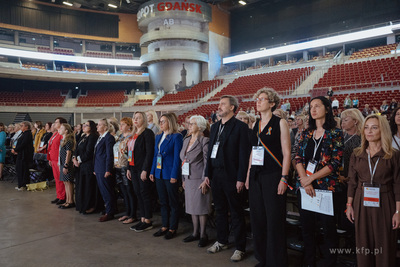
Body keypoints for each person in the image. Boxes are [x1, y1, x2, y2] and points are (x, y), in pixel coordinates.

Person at [295, 96, 344, 267]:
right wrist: (305, 180)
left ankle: (330, 261)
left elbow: (335, 162)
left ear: (327, 109)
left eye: (317, 106)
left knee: (328, 229)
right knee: (307, 228)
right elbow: (298, 158)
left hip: (325, 187)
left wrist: (312, 178)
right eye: (311, 107)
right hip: (305, 187)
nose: (313, 109)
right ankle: (309, 260)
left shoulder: (335, 133)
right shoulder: (305, 133)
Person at [245, 88, 291, 267]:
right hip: (256, 176)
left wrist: (284, 178)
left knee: (274, 220)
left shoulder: (280, 123)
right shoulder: (255, 124)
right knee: (258, 219)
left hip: (273, 176)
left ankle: (276, 261)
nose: (258, 101)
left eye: (262, 99)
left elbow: (287, 153)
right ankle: (262, 258)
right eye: (257, 99)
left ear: (272, 103)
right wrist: (248, 174)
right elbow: (252, 152)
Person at [346, 114, 400, 266]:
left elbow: (398, 184)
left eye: (374, 127)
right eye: (366, 128)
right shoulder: (357, 154)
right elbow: (352, 182)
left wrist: (398, 211)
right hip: (360, 201)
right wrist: (349, 205)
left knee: (385, 246)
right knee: (363, 245)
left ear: (382, 130)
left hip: (385, 202)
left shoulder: (393, 155)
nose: (369, 131)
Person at [204, 95, 250, 262]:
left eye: (223, 104)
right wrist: (207, 174)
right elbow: (210, 153)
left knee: (236, 213)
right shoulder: (215, 126)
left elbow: (244, 156)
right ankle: (222, 240)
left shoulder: (240, 127)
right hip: (216, 175)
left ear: (232, 107)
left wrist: (241, 178)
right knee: (220, 210)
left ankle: (240, 247)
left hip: (232, 176)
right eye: (219, 104)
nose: (219, 106)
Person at [150, 113, 183, 240]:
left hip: (170, 174)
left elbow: (177, 159)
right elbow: (155, 156)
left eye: (163, 121)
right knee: (163, 201)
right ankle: (164, 225)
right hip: (159, 173)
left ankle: (172, 228)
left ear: (170, 122)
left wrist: (175, 175)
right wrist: (152, 171)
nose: (161, 123)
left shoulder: (176, 137)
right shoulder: (158, 136)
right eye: (160, 121)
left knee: (173, 202)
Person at [180, 115, 211, 247]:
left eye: (192, 124)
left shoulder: (204, 140)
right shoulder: (186, 140)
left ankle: (203, 234)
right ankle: (195, 233)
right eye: (189, 123)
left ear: (200, 126)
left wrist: (205, 180)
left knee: (201, 208)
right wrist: (183, 179)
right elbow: (183, 160)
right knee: (192, 207)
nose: (189, 125)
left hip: (200, 179)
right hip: (188, 178)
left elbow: (207, 162)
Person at [127, 112, 155, 232]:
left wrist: (145, 169)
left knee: (144, 193)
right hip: (133, 168)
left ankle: (148, 220)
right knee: (138, 193)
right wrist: (128, 167)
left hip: (142, 168)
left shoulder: (147, 133)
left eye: (138, 118)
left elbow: (149, 153)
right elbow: (130, 152)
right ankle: (142, 219)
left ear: (143, 119)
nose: (135, 120)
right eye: (134, 118)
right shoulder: (133, 134)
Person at [73, 120, 101, 214]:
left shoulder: (93, 137)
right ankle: (82, 205)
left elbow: (89, 152)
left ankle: (90, 206)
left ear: (91, 127)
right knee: (81, 186)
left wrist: (79, 161)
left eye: (86, 125)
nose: (84, 126)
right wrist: (74, 159)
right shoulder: (83, 136)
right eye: (83, 125)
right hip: (80, 165)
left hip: (88, 165)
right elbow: (76, 149)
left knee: (88, 186)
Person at [94, 118, 116, 222]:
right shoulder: (101, 137)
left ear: (105, 127)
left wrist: (108, 169)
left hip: (104, 168)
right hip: (98, 167)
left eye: (99, 125)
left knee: (107, 191)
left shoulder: (108, 138)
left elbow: (109, 155)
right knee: (103, 191)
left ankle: (110, 212)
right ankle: (108, 208)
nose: (97, 126)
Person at [114, 117, 136, 224]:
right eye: (120, 124)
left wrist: (129, 167)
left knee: (129, 191)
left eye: (123, 124)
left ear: (129, 126)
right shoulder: (120, 137)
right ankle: (127, 212)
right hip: (118, 165)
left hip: (126, 166)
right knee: (123, 191)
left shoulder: (131, 137)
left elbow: (131, 153)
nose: (121, 126)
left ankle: (133, 214)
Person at [48, 117, 67, 205]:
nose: (54, 124)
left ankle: (63, 197)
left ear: (61, 124)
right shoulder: (55, 133)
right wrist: (49, 158)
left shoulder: (61, 134)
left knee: (60, 179)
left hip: (58, 159)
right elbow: (50, 146)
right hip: (53, 159)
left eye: (56, 122)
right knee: (56, 179)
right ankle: (59, 195)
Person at [58, 123, 76, 209]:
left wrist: (66, 165)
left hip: (67, 164)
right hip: (62, 163)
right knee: (65, 182)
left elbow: (69, 153)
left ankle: (71, 201)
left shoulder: (69, 140)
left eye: (61, 128)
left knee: (69, 182)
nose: (59, 129)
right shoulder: (63, 139)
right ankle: (67, 200)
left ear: (66, 131)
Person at [12, 121, 34, 190]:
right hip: (21, 154)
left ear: (26, 127)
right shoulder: (23, 133)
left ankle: (23, 185)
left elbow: (23, 144)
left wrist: (16, 150)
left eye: (22, 125)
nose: (21, 127)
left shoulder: (28, 134)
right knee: (19, 169)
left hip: (24, 156)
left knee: (23, 170)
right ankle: (20, 184)